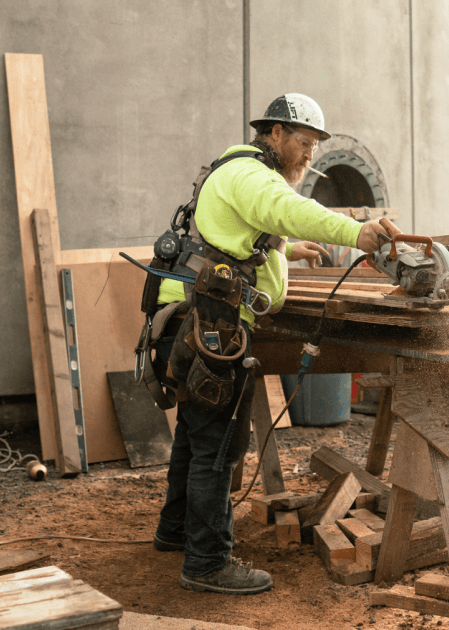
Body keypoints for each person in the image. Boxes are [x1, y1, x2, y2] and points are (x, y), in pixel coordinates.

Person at [148, 94, 388, 595]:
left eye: (315, 147)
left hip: (189, 317)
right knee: (218, 447)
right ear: (274, 134)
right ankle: (207, 564)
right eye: (303, 143)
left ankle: (175, 534)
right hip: (209, 321)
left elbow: (245, 230)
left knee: (195, 435)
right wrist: (354, 231)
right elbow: (285, 208)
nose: (308, 155)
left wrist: (285, 247)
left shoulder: (236, 171)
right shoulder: (254, 175)